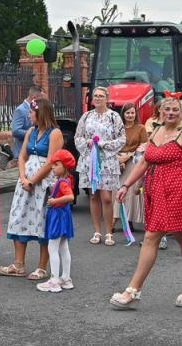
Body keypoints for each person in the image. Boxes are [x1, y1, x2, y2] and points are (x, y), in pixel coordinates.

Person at [110, 93, 182, 309]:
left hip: (179, 190)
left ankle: (132, 291)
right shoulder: (156, 131)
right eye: (167, 109)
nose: (171, 113)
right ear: (160, 111)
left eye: (175, 110)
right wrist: (126, 185)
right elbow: (145, 162)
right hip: (158, 190)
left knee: (151, 236)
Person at [0, 96, 64, 280]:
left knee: (41, 220)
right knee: (19, 216)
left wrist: (34, 180)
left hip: (43, 182)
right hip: (25, 181)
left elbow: (51, 161)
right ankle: (18, 264)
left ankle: (42, 267)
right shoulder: (31, 131)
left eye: (31, 112)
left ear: (40, 113)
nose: (29, 115)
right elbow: (21, 156)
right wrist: (22, 178)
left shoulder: (55, 133)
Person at [74, 86, 125, 245]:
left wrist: (103, 144)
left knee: (106, 197)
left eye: (101, 96)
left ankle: (109, 232)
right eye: (95, 96)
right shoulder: (86, 116)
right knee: (93, 195)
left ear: (106, 98)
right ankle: (97, 231)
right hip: (90, 160)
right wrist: (88, 144)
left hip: (107, 160)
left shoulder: (114, 117)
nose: (97, 98)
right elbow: (78, 137)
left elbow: (122, 139)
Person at [36, 150, 78, 293]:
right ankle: (66, 278)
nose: (53, 167)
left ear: (65, 166)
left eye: (56, 164)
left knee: (52, 248)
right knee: (63, 247)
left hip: (57, 216)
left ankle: (54, 280)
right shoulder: (67, 179)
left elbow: (70, 197)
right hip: (64, 216)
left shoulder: (62, 182)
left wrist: (55, 200)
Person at [117, 105, 148, 239]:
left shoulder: (141, 128)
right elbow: (114, 144)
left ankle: (130, 219)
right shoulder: (118, 128)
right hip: (118, 162)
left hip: (133, 162)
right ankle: (118, 219)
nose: (130, 115)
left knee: (130, 192)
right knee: (116, 192)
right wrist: (119, 158)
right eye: (127, 113)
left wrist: (128, 157)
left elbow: (143, 147)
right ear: (123, 114)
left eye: (132, 113)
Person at [11, 88, 40, 152]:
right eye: (40, 99)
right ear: (34, 97)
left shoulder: (36, 109)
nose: (42, 101)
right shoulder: (20, 110)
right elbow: (15, 131)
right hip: (21, 151)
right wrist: (35, 133)